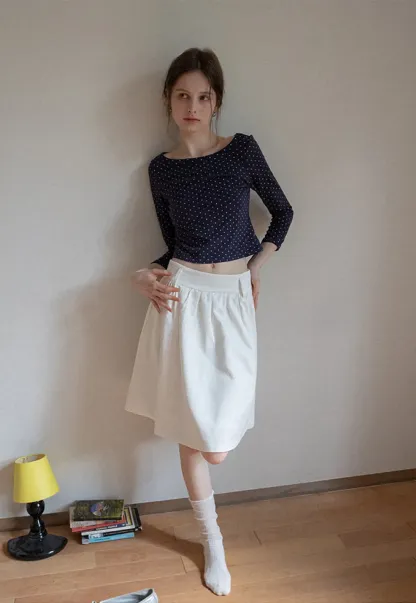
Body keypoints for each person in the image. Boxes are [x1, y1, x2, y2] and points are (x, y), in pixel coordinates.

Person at [125, 47, 294, 596]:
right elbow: (173, 244)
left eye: (202, 96)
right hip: (183, 300)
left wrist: (255, 267)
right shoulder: (161, 170)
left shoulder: (241, 150)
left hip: (233, 300)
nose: (192, 106)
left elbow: (283, 212)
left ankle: (213, 534)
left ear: (216, 101)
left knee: (217, 446)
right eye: (182, 96)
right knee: (192, 430)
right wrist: (144, 275)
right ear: (168, 101)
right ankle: (212, 541)